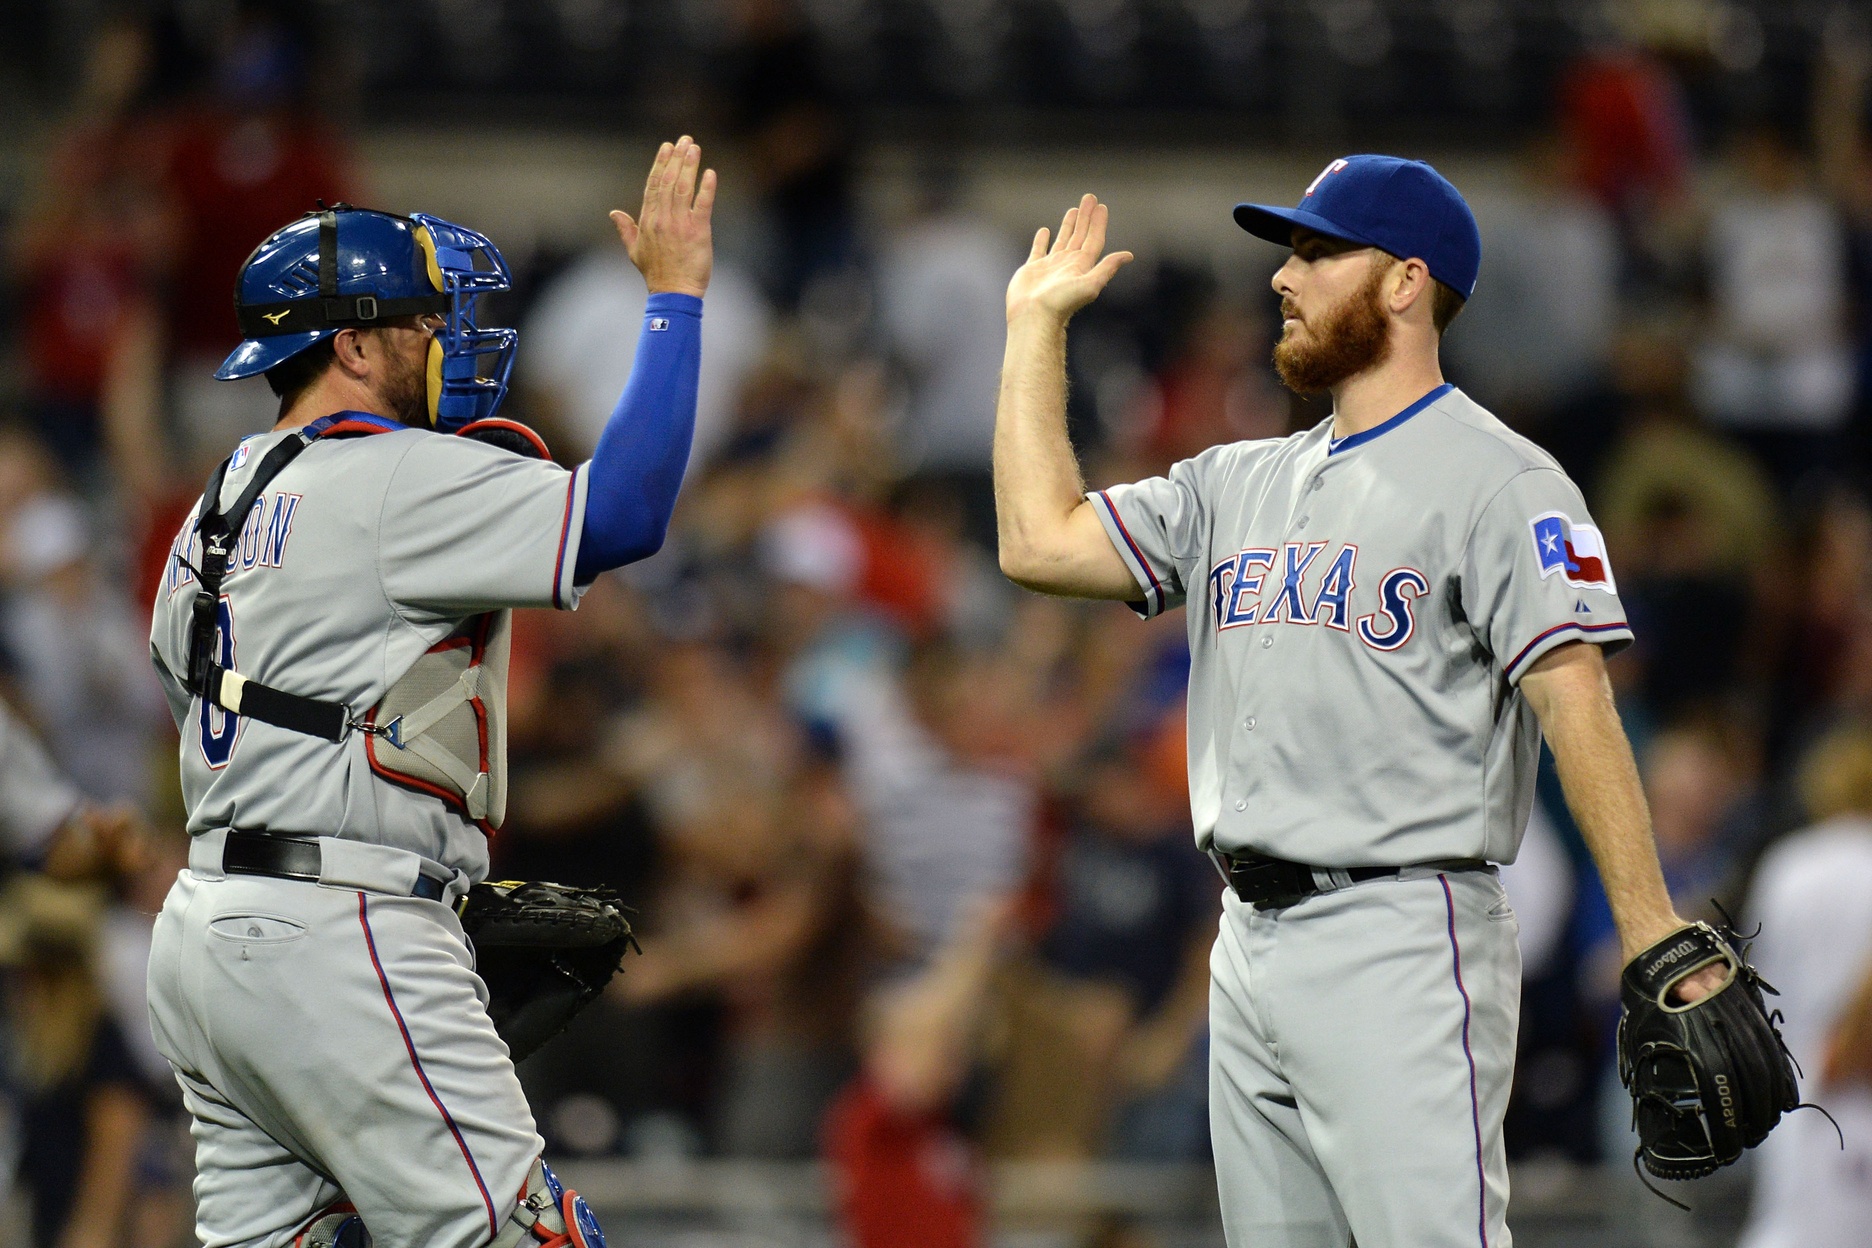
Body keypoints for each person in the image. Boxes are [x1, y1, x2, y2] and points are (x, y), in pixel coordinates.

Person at [991, 158, 1728, 1246]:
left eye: (1317, 252)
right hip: (1245, 939)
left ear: (1404, 283)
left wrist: (1649, 924)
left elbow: (1578, 704)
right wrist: (1033, 329)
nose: (1285, 279)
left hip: (1403, 933)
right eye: (1289, 252)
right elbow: (1037, 542)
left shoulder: (1507, 480)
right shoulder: (1232, 482)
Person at [144, 137, 714, 1248]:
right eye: (420, 321)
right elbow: (625, 511)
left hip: (207, 936)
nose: (444, 339)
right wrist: (676, 300)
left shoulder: (209, 513)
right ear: (351, 343)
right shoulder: (393, 475)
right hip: (342, 924)